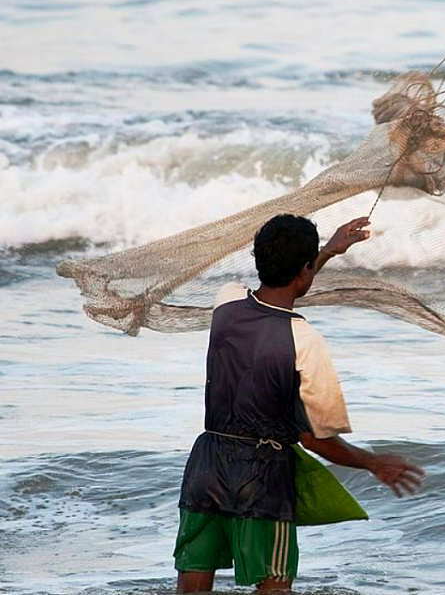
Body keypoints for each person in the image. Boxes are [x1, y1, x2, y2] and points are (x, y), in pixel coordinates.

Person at [173, 213, 425, 592]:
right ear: (305, 270)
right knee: (274, 586)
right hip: (260, 480)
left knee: (192, 585)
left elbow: (286, 282)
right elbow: (314, 439)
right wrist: (373, 463)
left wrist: (324, 253)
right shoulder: (304, 340)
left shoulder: (225, 303)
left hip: (205, 466)